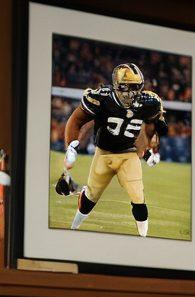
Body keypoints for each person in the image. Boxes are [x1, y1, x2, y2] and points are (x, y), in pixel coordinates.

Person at [56, 63, 167, 237]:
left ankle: (144, 239)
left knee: (138, 198)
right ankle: (73, 229)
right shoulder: (102, 98)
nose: (131, 93)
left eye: (135, 88)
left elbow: (155, 126)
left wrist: (153, 150)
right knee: (90, 199)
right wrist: (71, 145)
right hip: (104, 154)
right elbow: (76, 120)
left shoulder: (149, 102)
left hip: (129, 154)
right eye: (127, 87)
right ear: (116, 85)